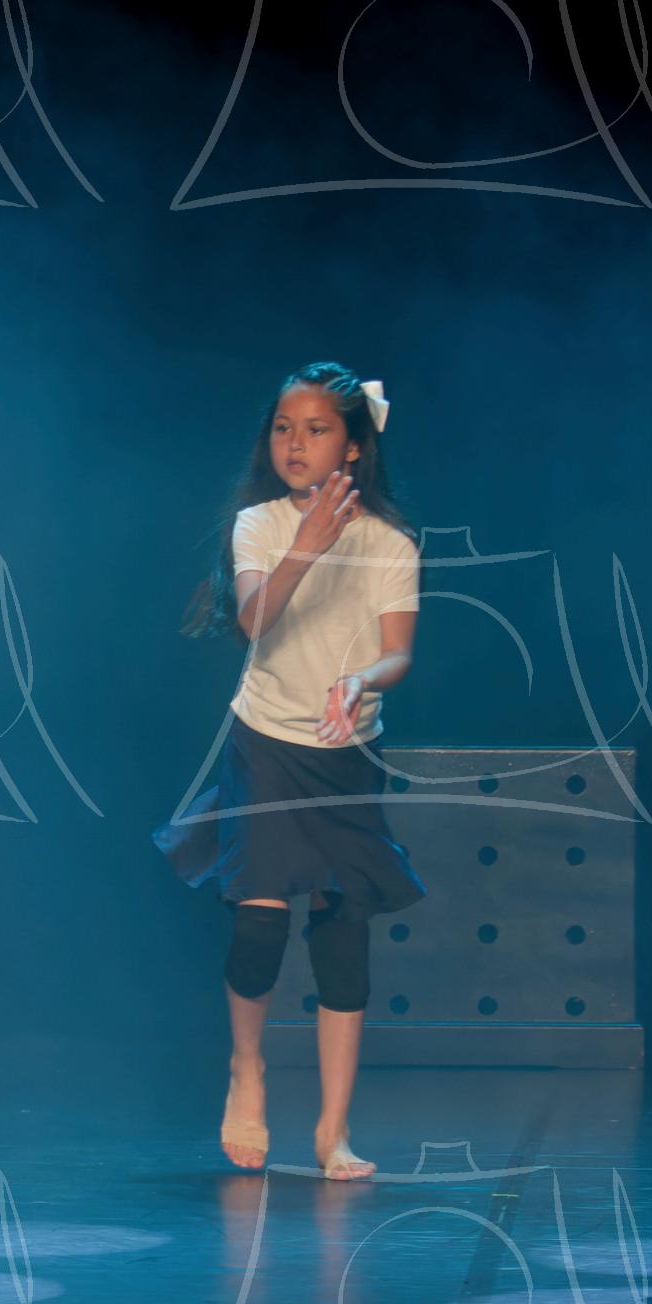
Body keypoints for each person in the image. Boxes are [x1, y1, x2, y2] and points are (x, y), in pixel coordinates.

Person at [156, 363, 422, 1182]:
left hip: (348, 755)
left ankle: (333, 1128)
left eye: (315, 430)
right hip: (267, 742)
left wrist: (362, 681)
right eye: (283, 428)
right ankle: (247, 1069)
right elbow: (254, 621)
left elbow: (398, 653)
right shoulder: (261, 525)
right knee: (260, 925)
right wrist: (307, 547)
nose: (295, 444)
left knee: (343, 938)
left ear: (354, 446)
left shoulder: (391, 544)